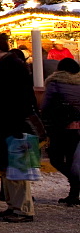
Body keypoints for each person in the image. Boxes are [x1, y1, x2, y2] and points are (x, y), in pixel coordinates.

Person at [0, 33, 39, 223]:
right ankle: (13, 205)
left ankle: (23, 208)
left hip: (11, 125)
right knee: (8, 168)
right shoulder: (5, 67)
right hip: (5, 125)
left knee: (17, 168)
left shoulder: (12, 68)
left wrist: (14, 123)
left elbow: (17, 99)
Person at [41, 57, 80, 206]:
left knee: (55, 158)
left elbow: (45, 105)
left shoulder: (54, 82)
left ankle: (76, 183)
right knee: (72, 160)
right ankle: (74, 193)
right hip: (77, 128)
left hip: (60, 127)